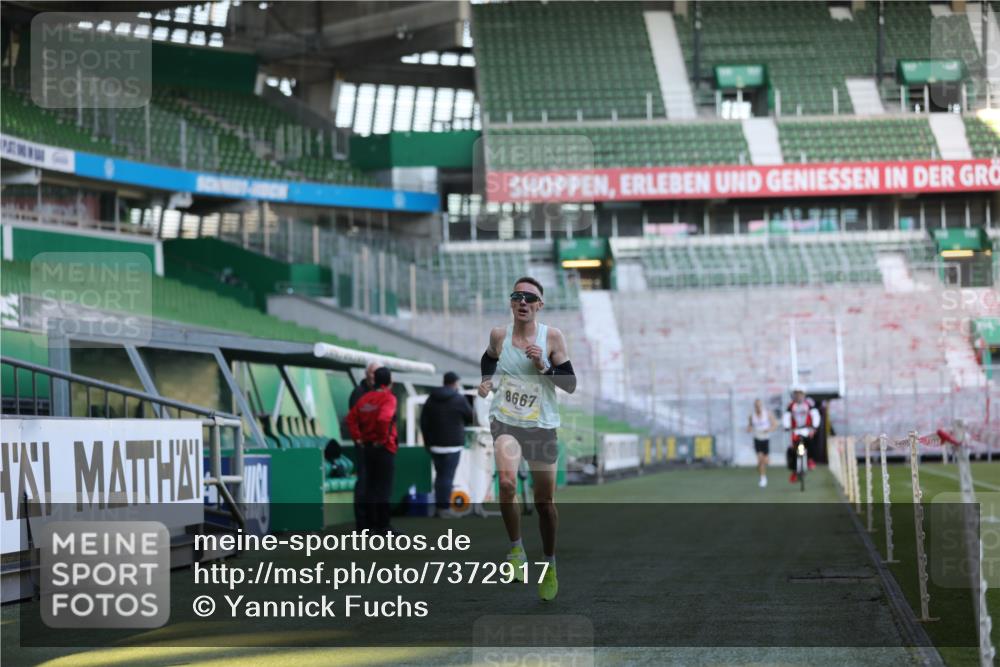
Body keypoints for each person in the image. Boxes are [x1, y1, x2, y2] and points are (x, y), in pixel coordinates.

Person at [478, 276, 576, 601]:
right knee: (506, 484)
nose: (523, 302)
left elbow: (571, 383)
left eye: (529, 298)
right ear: (511, 302)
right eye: (517, 296)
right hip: (505, 419)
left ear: (539, 305)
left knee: (544, 503)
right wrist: (486, 380)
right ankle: (516, 551)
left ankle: (549, 564)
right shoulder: (499, 335)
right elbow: (489, 356)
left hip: (541, 424)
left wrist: (544, 365)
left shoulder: (553, 337)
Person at [346, 367, 398, 534]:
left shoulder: (364, 399)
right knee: (383, 488)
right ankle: (383, 525)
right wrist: (381, 439)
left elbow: (351, 419)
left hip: (367, 447)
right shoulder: (389, 398)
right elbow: (384, 418)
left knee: (370, 487)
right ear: (390, 382)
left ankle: (368, 525)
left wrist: (358, 438)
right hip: (384, 448)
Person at [420, 371, 474, 518]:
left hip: (435, 445)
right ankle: (444, 509)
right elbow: (471, 417)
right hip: (453, 444)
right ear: (455, 383)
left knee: (439, 476)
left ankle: (439, 507)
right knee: (447, 477)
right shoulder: (459, 399)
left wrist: (427, 442)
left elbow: (423, 422)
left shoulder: (431, 398)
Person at [346, 362, 381, 530]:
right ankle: (362, 524)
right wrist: (359, 439)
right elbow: (353, 420)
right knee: (364, 484)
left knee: (375, 485)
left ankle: (375, 522)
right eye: (372, 373)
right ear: (367, 374)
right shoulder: (358, 393)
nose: (375, 376)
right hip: (364, 446)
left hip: (377, 446)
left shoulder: (380, 393)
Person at [782, 385, 821, 484]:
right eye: (796, 394)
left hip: (806, 429)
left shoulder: (808, 404)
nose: (798, 396)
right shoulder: (791, 405)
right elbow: (786, 416)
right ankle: (795, 471)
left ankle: (810, 460)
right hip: (795, 431)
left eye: (800, 394)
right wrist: (786, 426)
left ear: (803, 395)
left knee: (811, 443)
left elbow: (815, 414)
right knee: (793, 451)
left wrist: (815, 426)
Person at [747, 399, 777, 488]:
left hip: (766, 439)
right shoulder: (752, 416)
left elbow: (775, 424)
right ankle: (763, 478)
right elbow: (750, 425)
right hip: (757, 439)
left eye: (759, 406)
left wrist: (769, 430)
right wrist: (749, 429)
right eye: (756, 406)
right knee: (760, 459)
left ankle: (761, 466)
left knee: (765, 460)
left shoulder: (767, 414)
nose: (758, 408)